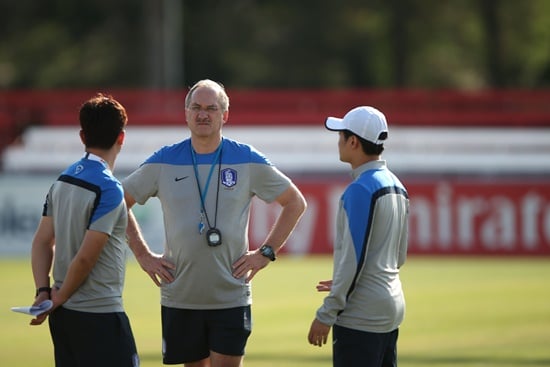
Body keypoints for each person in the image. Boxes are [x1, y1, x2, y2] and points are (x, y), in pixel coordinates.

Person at [123, 79, 307, 367]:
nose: (203, 114)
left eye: (211, 108)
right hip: (180, 296)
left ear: (225, 115)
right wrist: (143, 254)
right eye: (196, 107)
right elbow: (119, 202)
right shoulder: (165, 160)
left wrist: (265, 253)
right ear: (186, 113)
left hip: (230, 295)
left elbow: (295, 202)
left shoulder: (246, 158)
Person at [30, 94, 139, 367]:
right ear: (122, 137)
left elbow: (42, 242)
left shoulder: (63, 180)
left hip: (63, 318)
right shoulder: (109, 187)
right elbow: (86, 257)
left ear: (82, 136)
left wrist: (44, 291)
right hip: (99, 313)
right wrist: (60, 296)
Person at [307, 106, 409, 367]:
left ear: (353, 141)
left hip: (362, 314)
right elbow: (398, 257)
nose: (338, 141)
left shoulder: (359, 190)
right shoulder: (397, 186)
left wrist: (326, 313)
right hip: (391, 307)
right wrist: (344, 279)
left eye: (340, 135)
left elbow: (354, 259)